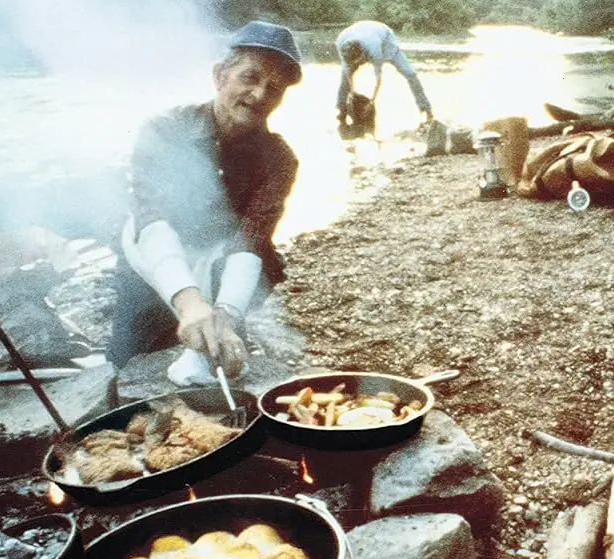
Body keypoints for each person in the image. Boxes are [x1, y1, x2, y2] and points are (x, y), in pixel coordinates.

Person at [105, 21, 303, 382]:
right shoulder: (164, 130)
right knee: (125, 371)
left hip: (221, 262)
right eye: (250, 77)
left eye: (274, 88)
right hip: (152, 255)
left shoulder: (280, 159)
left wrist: (225, 316)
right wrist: (189, 303)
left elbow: (251, 238)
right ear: (219, 75)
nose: (259, 94)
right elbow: (154, 219)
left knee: (225, 367)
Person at [335, 20, 433, 131]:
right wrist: (353, 93)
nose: (358, 64)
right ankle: (341, 111)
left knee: (410, 74)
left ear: (363, 54)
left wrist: (372, 102)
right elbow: (348, 73)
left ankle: (426, 109)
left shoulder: (374, 49)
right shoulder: (340, 43)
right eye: (354, 63)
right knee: (344, 79)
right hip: (357, 31)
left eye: (359, 61)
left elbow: (378, 79)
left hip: (384, 36)